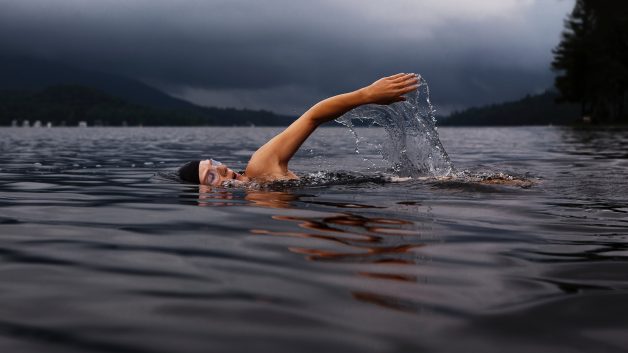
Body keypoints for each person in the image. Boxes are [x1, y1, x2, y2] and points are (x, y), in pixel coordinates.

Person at [178, 73, 420, 186]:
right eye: (210, 175)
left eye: (214, 162)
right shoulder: (257, 196)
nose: (221, 167)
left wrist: (366, 95)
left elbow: (312, 117)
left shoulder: (259, 168)